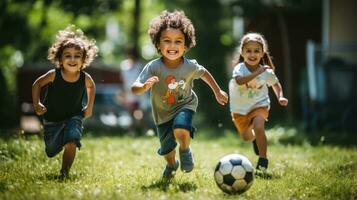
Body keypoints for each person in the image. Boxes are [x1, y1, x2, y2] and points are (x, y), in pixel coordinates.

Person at [131, 10, 228, 179]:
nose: (172, 46)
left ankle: (185, 149)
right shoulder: (153, 67)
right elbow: (135, 87)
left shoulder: (190, 66)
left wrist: (217, 91)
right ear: (158, 45)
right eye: (167, 41)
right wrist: (144, 87)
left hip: (185, 104)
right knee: (167, 149)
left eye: (178, 42)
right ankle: (171, 164)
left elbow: (204, 73)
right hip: (162, 114)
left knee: (181, 128)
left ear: (185, 46)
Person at [32, 25, 98, 178]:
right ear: (60, 59)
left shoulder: (84, 77)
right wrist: (37, 103)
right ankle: (59, 140)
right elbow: (37, 84)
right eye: (68, 56)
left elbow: (92, 87)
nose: (72, 59)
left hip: (74, 116)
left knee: (72, 141)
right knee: (51, 151)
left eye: (77, 56)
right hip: (52, 118)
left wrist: (89, 107)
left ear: (83, 60)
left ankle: (64, 173)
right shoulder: (54, 75)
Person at [229, 32, 288, 176]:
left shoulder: (266, 71)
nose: (252, 54)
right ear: (242, 52)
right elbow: (239, 81)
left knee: (259, 125)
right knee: (246, 137)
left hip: (259, 105)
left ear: (262, 53)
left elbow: (276, 84)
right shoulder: (240, 69)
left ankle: (263, 160)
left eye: (256, 51)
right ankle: (255, 138)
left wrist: (280, 96)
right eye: (248, 50)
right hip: (240, 110)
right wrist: (258, 72)